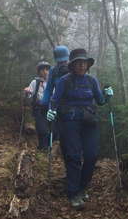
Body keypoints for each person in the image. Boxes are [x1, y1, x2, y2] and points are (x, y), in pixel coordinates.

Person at [46, 48, 114, 209]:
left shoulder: (92, 81)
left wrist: (108, 95)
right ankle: (73, 192)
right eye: (78, 63)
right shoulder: (63, 81)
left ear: (87, 64)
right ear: (73, 65)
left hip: (89, 122)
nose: (82, 66)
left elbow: (100, 101)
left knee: (91, 155)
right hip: (69, 123)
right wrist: (51, 110)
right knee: (73, 156)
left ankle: (83, 187)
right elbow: (54, 100)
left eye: (84, 63)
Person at [24, 61, 51, 150]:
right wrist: (27, 92)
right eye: (42, 69)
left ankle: (48, 147)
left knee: (50, 129)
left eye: (47, 69)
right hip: (38, 108)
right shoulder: (35, 82)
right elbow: (29, 94)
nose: (45, 71)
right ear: (39, 71)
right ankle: (42, 148)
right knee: (41, 129)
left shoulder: (51, 83)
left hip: (50, 108)